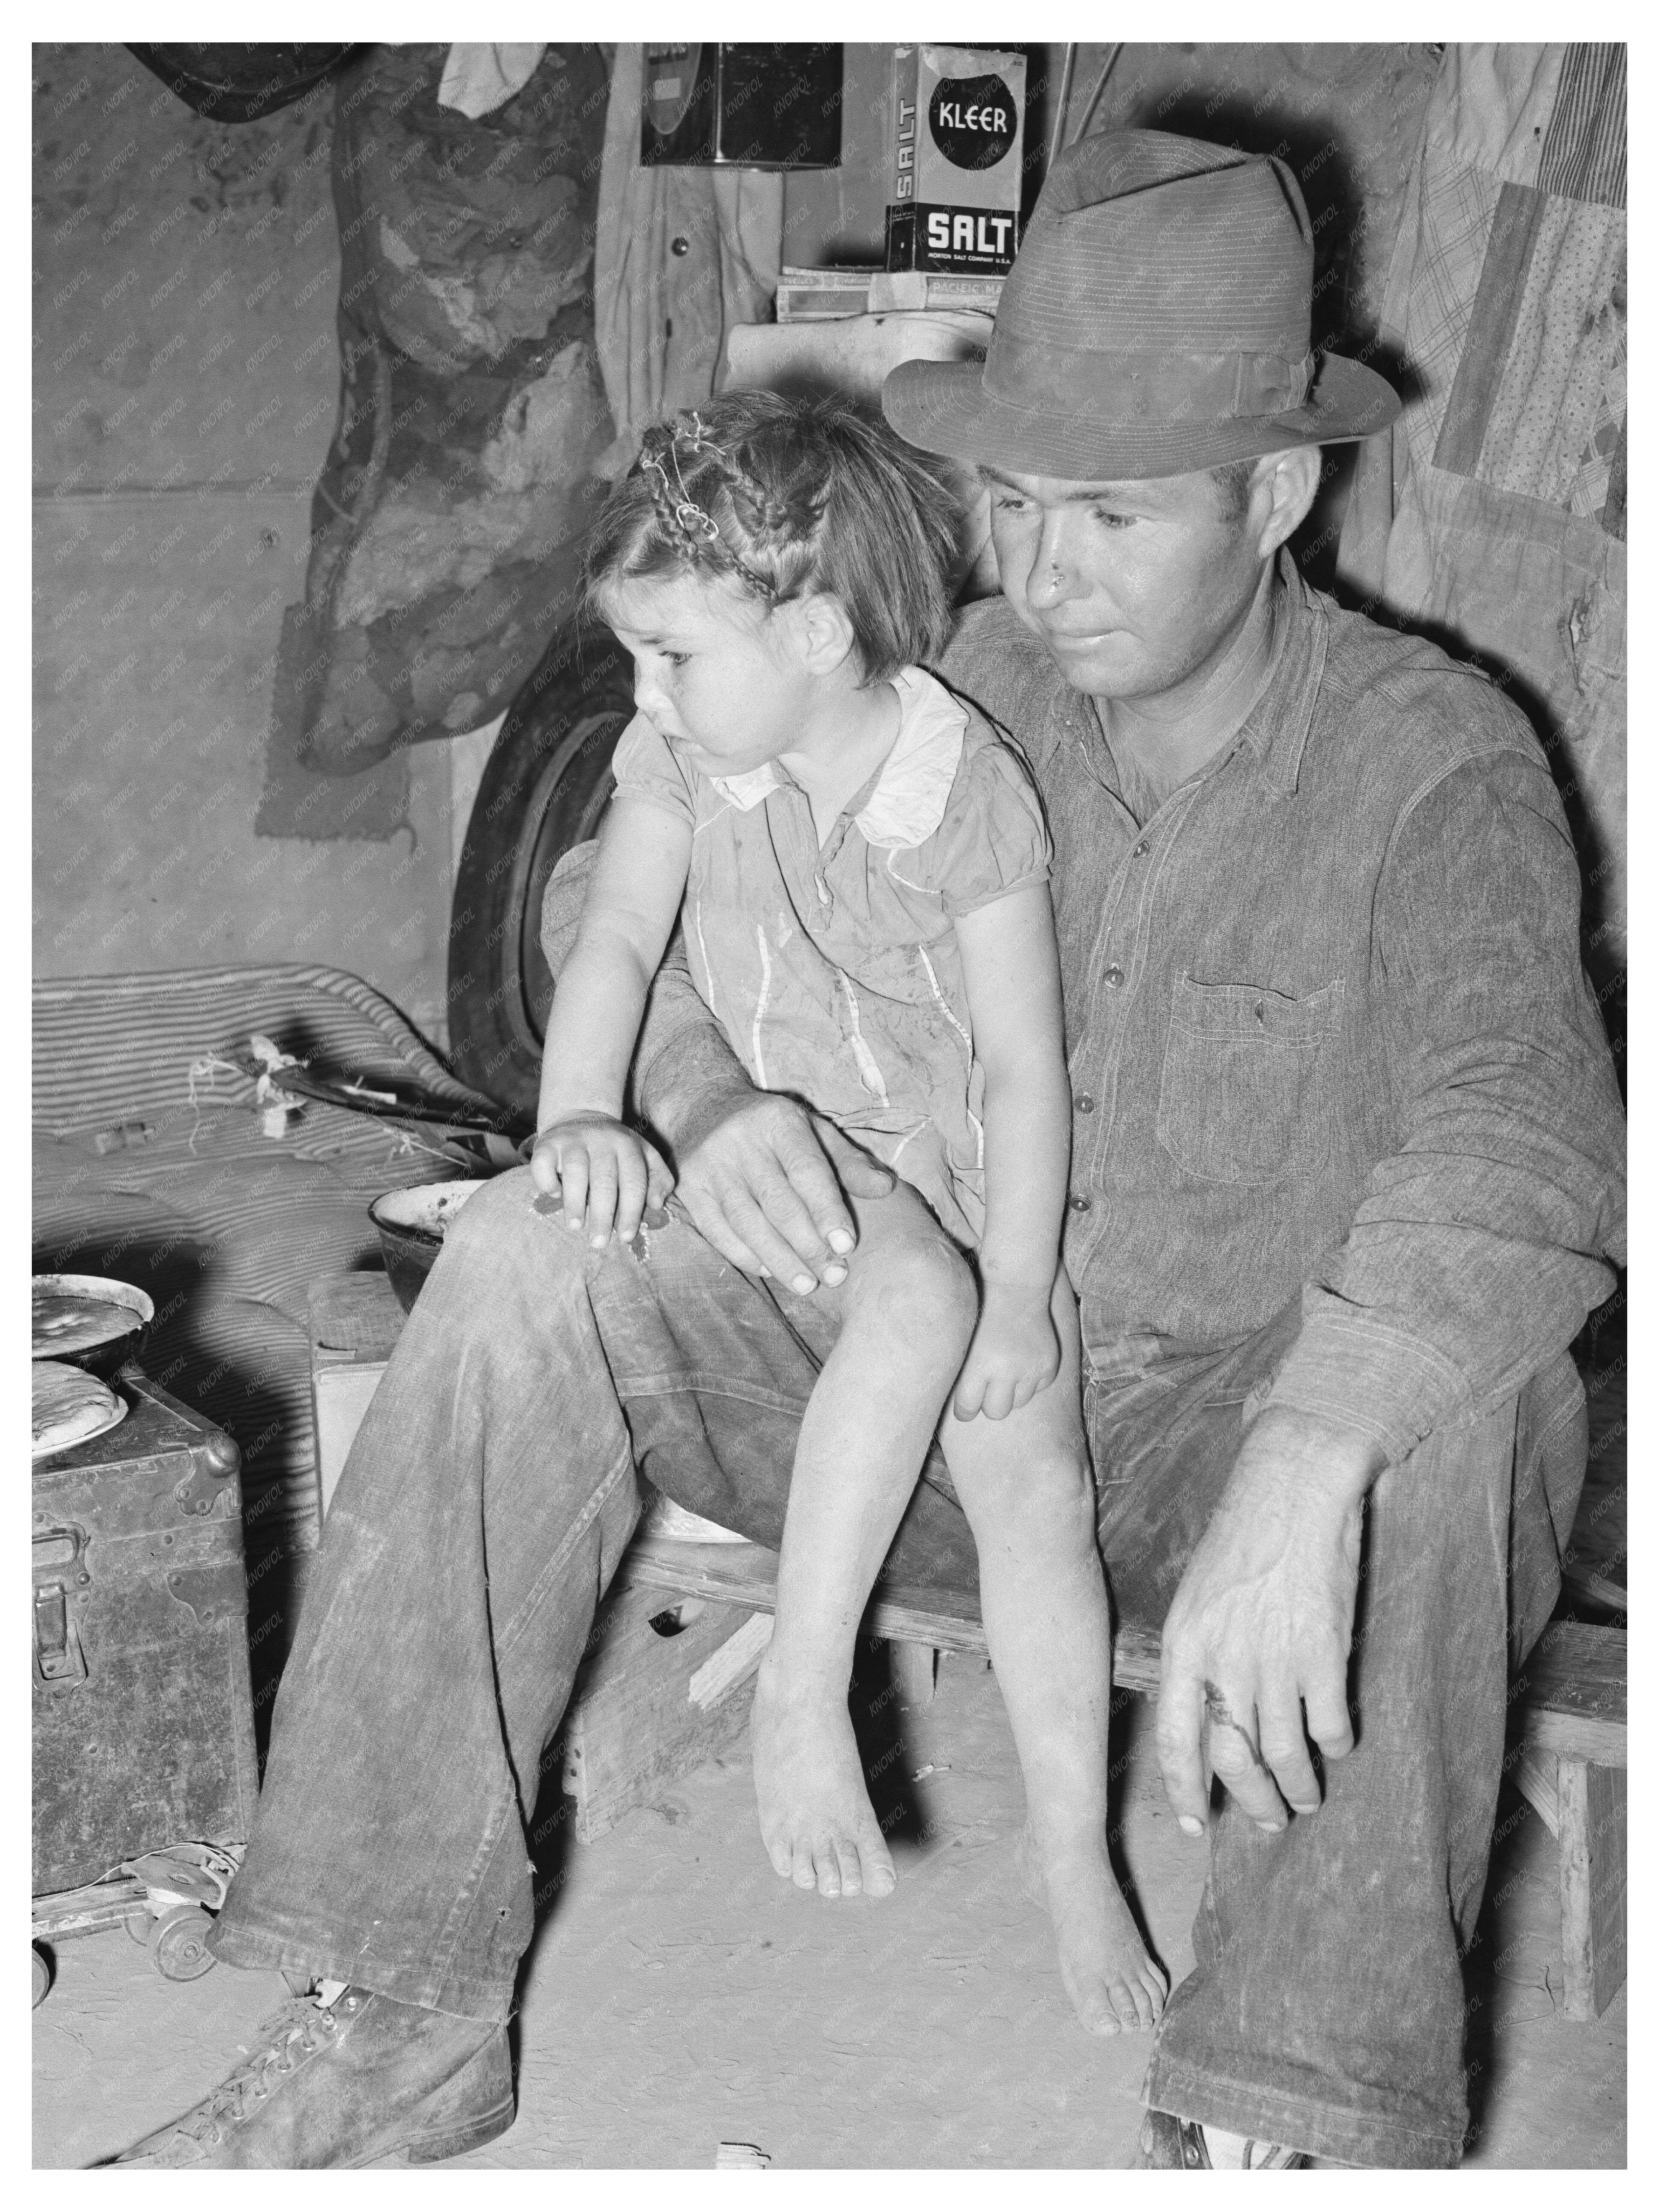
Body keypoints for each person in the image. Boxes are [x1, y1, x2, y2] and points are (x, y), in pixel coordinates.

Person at [114, 127, 1625, 2172]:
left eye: (1110, 512)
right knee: (537, 1258)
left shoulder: (1426, 764)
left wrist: (1315, 1440)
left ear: (1271, 499)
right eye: (1011, 501)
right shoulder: (944, 684)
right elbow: (606, 906)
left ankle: (1284, 2121)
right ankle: (391, 2010)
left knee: (1467, 1406)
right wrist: (714, 1108)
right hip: (886, 1410)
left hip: (1207, 1482)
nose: (1047, 569)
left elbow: (1523, 1134)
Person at [538, 389, 1164, 2034]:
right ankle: (803, 1691)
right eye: (634, 653)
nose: (642, 692)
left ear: (817, 631)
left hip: (942, 1183)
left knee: (1030, 1476)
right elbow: (610, 938)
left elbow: (1027, 1074)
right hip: (784, 1160)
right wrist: (578, 1116)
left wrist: (1023, 1293)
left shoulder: (967, 795)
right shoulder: (683, 756)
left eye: (673, 653)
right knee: (878, 1305)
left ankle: (1077, 1855)